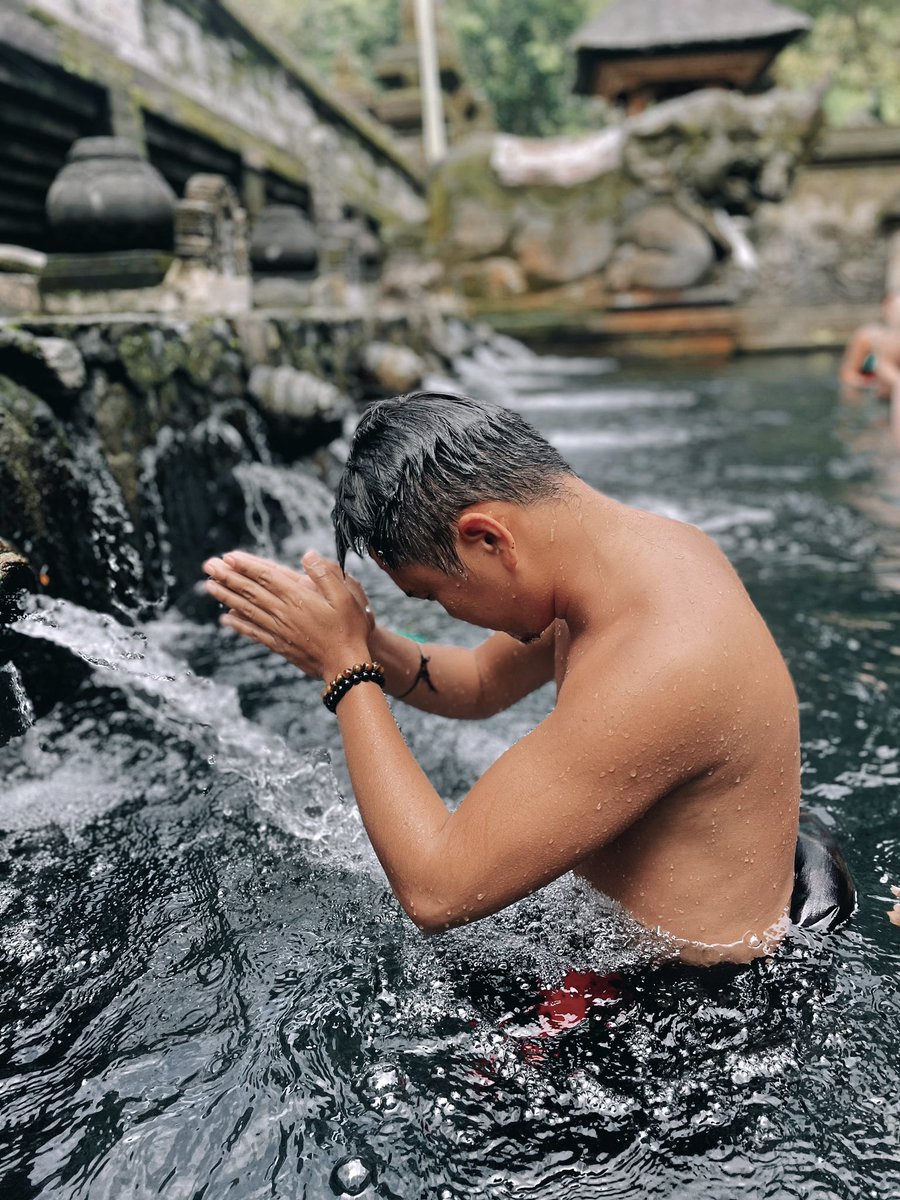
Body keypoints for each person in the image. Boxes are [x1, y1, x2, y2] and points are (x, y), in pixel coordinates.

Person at [202, 391, 853, 965]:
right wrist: (358, 640)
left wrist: (346, 672)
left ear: (487, 538)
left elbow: (437, 890)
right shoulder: (630, 557)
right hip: (685, 917)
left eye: (432, 596)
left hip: (698, 1020)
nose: (445, 614)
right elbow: (481, 682)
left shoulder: (664, 662)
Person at [840, 294, 900, 447]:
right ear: (885, 309)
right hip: (873, 394)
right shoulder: (868, 336)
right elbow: (848, 373)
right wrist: (868, 385)